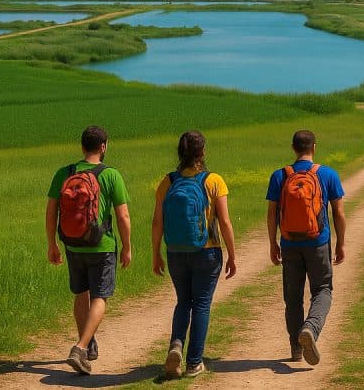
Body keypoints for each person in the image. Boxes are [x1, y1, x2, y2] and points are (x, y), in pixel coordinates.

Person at [46, 125, 131, 376]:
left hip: (72, 244)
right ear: (103, 147)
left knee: (80, 293)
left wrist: (52, 244)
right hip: (101, 245)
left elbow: (51, 211)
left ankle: (87, 340)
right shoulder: (110, 175)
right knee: (100, 297)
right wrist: (127, 247)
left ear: (82, 146)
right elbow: (123, 215)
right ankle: (81, 347)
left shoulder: (65, 173)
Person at [152, 130, 237, 379]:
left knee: (183, 302)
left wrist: (156, 253)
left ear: (180, 153)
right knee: (201, 304)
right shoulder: (213, 181)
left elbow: (157, 222)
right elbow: (225, 222)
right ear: (203, 153)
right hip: (207, 252)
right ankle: (193, 363)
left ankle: (176, 344)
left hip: (176, 251)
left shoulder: (168, 182)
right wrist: (232, 255)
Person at [266, 129, 345, 366]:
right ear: (314, 147)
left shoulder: (280, 176)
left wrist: (273, 242)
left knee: (292, 297)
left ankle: (296, 349)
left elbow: (272, 214)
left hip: (289, 244)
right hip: (318, 243)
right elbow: (338, 212)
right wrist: (341, 243)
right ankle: (311, 328)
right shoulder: (328, 174)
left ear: (293, 148)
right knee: (322, 290)